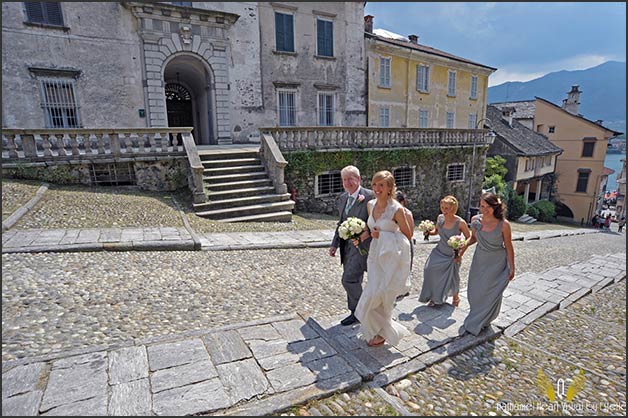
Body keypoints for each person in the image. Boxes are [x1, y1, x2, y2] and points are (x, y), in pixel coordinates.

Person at [354, 170, 413, 347]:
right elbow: (371, 229)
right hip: (375, 255)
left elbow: (408, 235)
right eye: (374, 184)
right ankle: (380, 330)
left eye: (381, 185)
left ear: (389, 188)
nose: (377, 188)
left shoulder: (397, 209)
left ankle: (383, 332)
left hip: (391, 257)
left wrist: (385, 236)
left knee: (383, 295)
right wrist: (362, 236)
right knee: (371, 292)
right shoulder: (370, 205)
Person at [459, 192, 515, 336]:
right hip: (479, 260)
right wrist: (462, 246)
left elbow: (509, 246)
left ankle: (481, 321)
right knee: (474, 290)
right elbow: (473, 239)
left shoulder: (504, 225)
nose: (483, 210)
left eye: (487, 207)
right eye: (482, 206)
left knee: (490, 292)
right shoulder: (475, 220)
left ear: (495, 206)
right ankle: (478, 316)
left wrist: (512, 267)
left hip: (497, 262)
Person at [329, 165, 375, 326]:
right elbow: (340, 223)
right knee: (354, 279)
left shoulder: (369, 196)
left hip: (365, 247)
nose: (347, 182)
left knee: (348, 280)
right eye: (344, 179)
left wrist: (366, 232)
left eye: (350, 179)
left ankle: (365, 309)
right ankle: (355, 312)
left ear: (358, 179)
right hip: (346, 247)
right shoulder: (343, 198)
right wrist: (334, 244)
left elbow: (377, 220)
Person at [418, 195, 470, 308]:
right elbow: (436, 231)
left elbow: (469, 238)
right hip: (439, 251)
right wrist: (427, 232)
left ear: (453, 208)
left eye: (447, 208)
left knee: (453, 276)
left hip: (453, 254)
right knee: (429, 269)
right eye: (442, 207)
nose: (444, 210)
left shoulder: (460, 222)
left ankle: (456, 298)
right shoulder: (440, 218)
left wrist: (460, 252)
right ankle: (433, 296)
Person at [395, 191, 415, 301]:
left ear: (402, 202)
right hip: (392, 242)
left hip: (404, 242)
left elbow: (410, 233)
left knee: (404, 267)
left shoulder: (407, 213)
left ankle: (403, 289)